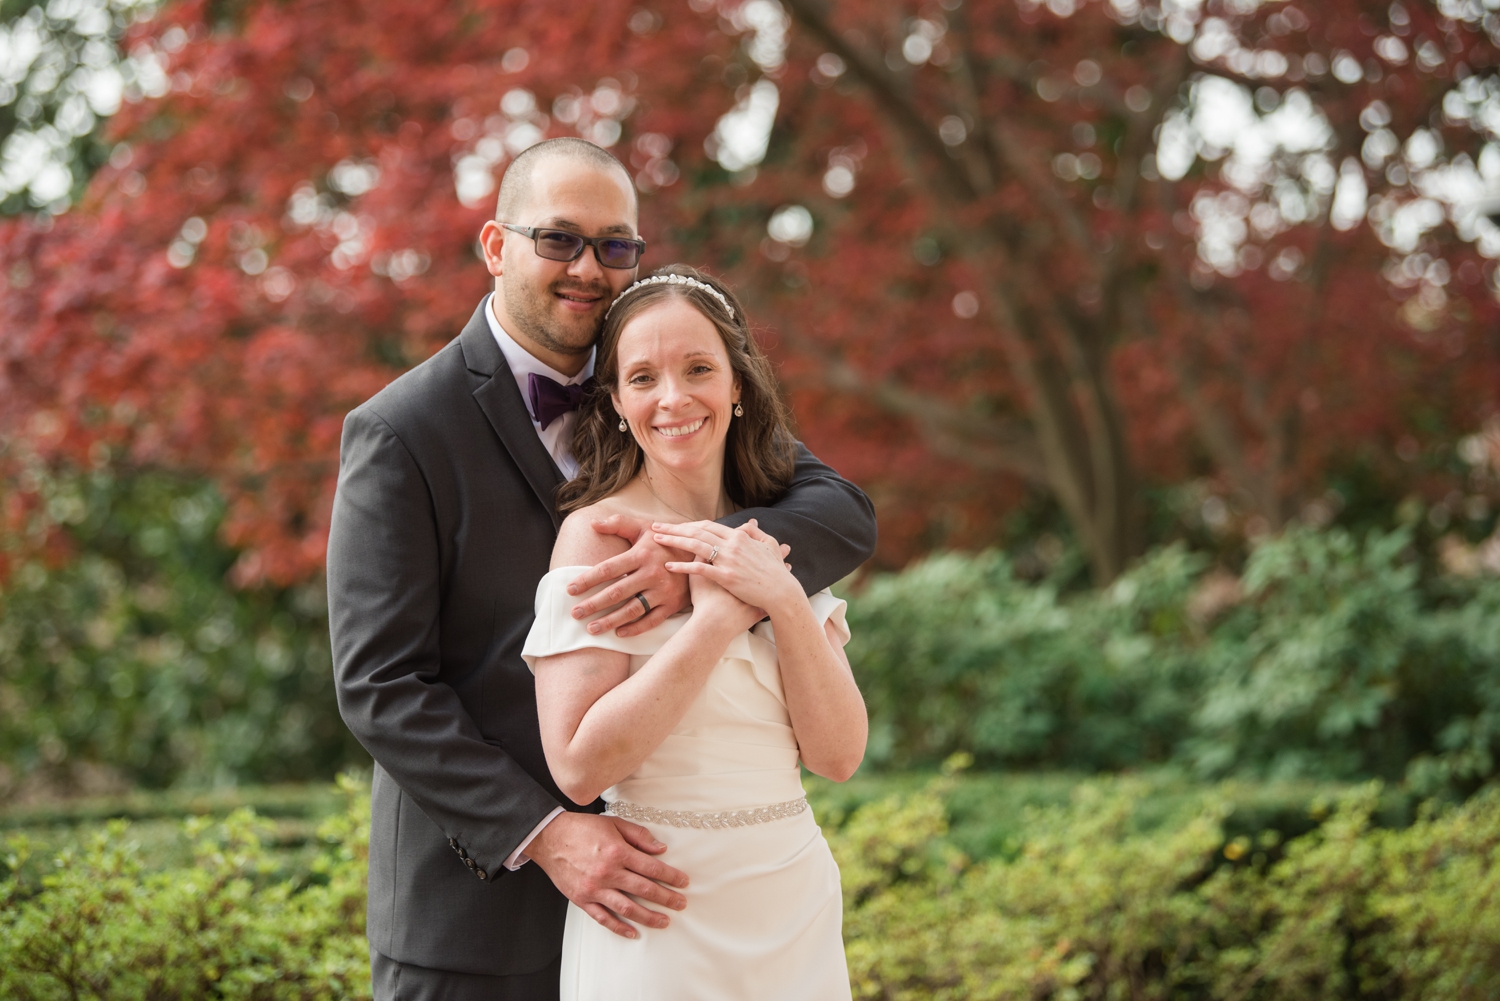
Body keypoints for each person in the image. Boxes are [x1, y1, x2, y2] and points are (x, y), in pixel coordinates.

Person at [327, 137, 876, 999]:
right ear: (496, 246)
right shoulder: (403, 431)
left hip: (692, 898)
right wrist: (547, 832)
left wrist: (706, 567)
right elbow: (380, 683)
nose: (588, 267)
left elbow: (840, 509)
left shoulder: (665, 390)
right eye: (559, 239)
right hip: (481, 908)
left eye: (614, 245)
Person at [523, 264, 867, 1000]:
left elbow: (838, 755)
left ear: (737, 385)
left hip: (790, 900)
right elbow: (578, 764)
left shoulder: (779, 531)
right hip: (660, 907)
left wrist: (775, 590)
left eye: (699, 368)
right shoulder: (599, 539)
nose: (673, 398)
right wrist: (714, 621)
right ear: (616, 402)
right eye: (643, 377)